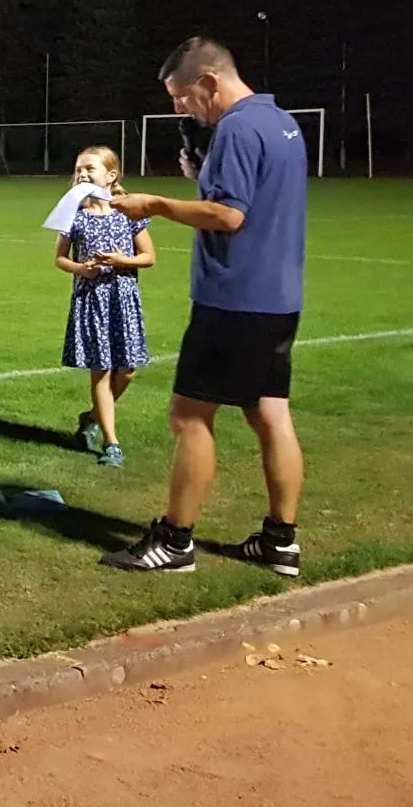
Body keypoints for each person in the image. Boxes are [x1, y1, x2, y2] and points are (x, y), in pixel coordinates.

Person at [102, 38, 309, 576]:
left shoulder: (237, 127)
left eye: (181, 96)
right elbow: (251, 198)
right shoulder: (281, 123)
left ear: (210, 82)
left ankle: (175, 542)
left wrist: (155, 204)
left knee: (190, 415)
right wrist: (203, 180)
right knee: (270, 413)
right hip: (279, 298)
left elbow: (229, 216)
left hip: (235, 298)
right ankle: (280, 542)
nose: (179, 109)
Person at [55, 146, 155, 469]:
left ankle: (92, 417)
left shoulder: (128, 212)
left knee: (129, 370)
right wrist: (80, 269)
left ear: (111, 176)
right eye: (78, 169)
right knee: (102, 369)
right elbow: (60, 258)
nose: (82, 174)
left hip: (123, 299)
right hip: (92, 300)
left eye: (90, 168)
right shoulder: (74, 214)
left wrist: (121, 260)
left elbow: (149, 257)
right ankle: (112, 443)